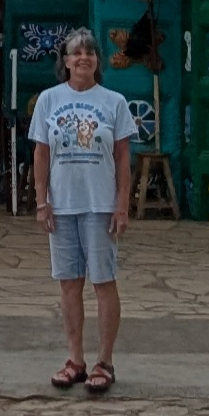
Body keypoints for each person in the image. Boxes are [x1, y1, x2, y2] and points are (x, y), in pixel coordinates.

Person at [28, 28, 132, 396]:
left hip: (99, 205)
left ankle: (105, 360)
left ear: (98, 61)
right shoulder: (48, 101)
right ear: (65, 62)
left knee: (103, 282)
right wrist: (42, 201)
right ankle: (75, 359)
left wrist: (122, 204)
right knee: (69, 283)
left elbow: (122, 157)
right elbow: (41, 153)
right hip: (63, 205)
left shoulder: (114, 102)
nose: (83, 57)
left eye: (89, 52)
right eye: (75, 53)